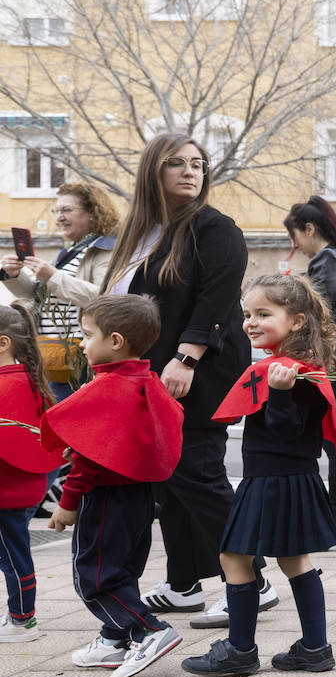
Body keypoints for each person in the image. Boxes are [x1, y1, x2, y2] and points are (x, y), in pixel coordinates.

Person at [103, 134, 265, 619]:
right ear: (153, 171)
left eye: (198, 163)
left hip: (198, 370)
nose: (190, 171)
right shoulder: (143, 231)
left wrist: (187, 357)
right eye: (177, 163)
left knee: (196, 472)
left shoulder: (214, 227)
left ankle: (252, 578)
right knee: (168, 481)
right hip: (153, 372)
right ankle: (184, 583)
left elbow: (216, 296)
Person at [182, 275, 336, 677]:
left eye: (263, 314)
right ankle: (314, 648)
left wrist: (281, 393)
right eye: (246, 314)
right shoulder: (294, 366)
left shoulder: (291, 374)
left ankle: (240, 650)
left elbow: (287, 431)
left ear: (295, 321)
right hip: (291, 477)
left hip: (273, 478)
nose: (250, 322)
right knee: (293, 559)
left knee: (233, 557)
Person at [40, 295, 185, 677]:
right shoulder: (145, 379)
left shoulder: (110, 387)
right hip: (139, 496)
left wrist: (67, 503)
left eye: (88, 335)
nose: (82, 343)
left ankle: (148, 631)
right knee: (122, 570)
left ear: (116, 340)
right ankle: (113, 639)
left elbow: (90, 458)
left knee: (94, 575)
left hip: (104, 498)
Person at [284, 197, 336, 551]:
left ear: (310, 229)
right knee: (333, 440)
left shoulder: (329, 261)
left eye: (295, 237)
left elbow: (317, 313)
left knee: (331, 442)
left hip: (330, 365)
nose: (295, 246)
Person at [2, 182, 120, 398]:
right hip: (53, 355)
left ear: (93, 212)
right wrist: (12, 275)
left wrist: (53, 276)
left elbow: (104, 298)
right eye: (57, 211)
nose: (58, 218)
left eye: (67, 210)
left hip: (80, 359)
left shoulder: (104, 250)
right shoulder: (69, 252)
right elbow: (34, 296)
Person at [0, 304, 61, 642]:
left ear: (3, 343)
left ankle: (23, 620)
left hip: (7, 490)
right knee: (12, 553)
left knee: (13, 556)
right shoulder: (22, 378)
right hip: (16, 487)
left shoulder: (8, 385)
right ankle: (18, 612)